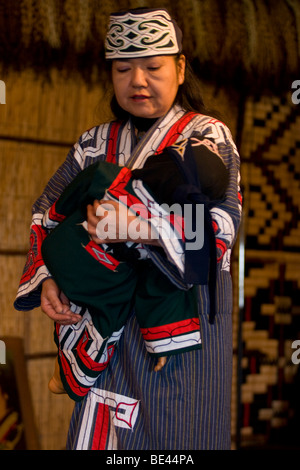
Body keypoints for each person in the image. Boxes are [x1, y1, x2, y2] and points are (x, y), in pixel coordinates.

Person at [14, 8, 242, 450]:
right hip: (100, 322)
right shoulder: (92, 144)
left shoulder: (207, 136)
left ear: (179, 68)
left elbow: (217, 229)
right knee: (100, 429)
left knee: (175, 436)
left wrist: (136, 228)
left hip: (178, 327)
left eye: (153, 67)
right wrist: (48, 281)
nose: (137, 81)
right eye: (123, 69)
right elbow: (46, 213)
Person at [41, 139, 229, 399]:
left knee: (74, 312)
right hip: (105, 274)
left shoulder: (113, 175)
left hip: (63, 243)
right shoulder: (168, 218)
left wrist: (53, 220)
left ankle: (62, 371)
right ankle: (68, 376)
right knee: (111, 315)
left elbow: (80, 186)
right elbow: (165, 282)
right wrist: (164, 343)